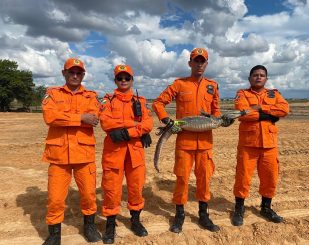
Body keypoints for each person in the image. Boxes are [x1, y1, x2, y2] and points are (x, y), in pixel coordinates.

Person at [152, 48, 233, 233]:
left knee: (204, 179)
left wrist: (222, 121)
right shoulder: (179, 84)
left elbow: (216, 111)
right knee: (182, 179)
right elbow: (158, 103)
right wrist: (166, 120)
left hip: (205, 143)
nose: (199, 64)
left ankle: (204, 215)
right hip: (184, 143)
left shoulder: (212, 85)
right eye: (196, 61)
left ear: (206, 64)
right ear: (190, 63)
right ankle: (179, 215)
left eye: (202, 61)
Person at [41, 58, 102, 244]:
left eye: (79, 73)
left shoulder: (91, 96)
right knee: (55, 199)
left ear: (83, 75)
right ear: (64, 73)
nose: (75, 76)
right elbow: (50, 117)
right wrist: (80, 118)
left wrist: (77, 118)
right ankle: (54, 235)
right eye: (71, 72)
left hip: (84, 155)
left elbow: (93, 118)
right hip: (59, 155)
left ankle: (89, 227)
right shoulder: (52, 93)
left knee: (89, 195)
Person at [100, 64, 153, 244]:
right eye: (120, 78)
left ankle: (135, 220)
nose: (123, 81)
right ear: (115, 80)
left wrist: (126, 133)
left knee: (136, 187)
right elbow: (106, 123)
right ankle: (110, 224)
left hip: (135, 152)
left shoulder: (141, 101)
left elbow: (148, 124)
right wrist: (136, 128)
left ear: (132, 80)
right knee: (111, 189)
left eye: (127, 78)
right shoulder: (108, 100)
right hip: (114, 152)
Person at [231, 65, 290, 226]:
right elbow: (242, 112)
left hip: (269, 145)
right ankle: (239, 208)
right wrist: (270, 115)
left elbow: (284, 109)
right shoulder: (242, 93)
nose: (258, 77)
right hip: (248, 144)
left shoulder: (274, 94)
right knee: (243, 177)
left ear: (266, 78)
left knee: (270, 177)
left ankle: (266, 208)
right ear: (249, 78)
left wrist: (261, 108)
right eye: (255, 75)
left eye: (262, 75)